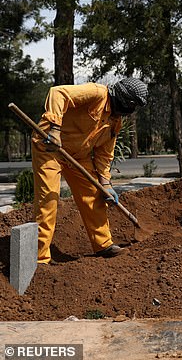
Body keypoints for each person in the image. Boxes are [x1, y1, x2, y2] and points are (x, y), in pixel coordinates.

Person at [32, 78, 148, 264]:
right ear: (125, 99)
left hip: (79, 156)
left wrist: (106, 184)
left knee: (95, 196)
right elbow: (58, 93)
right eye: (133, 105)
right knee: (49, 200)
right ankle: (40, 257)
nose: (131, 111)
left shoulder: (114, 121)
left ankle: (103, 245)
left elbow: (104, 155)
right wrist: (54, 129)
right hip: (50, 148)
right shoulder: (97, 93)